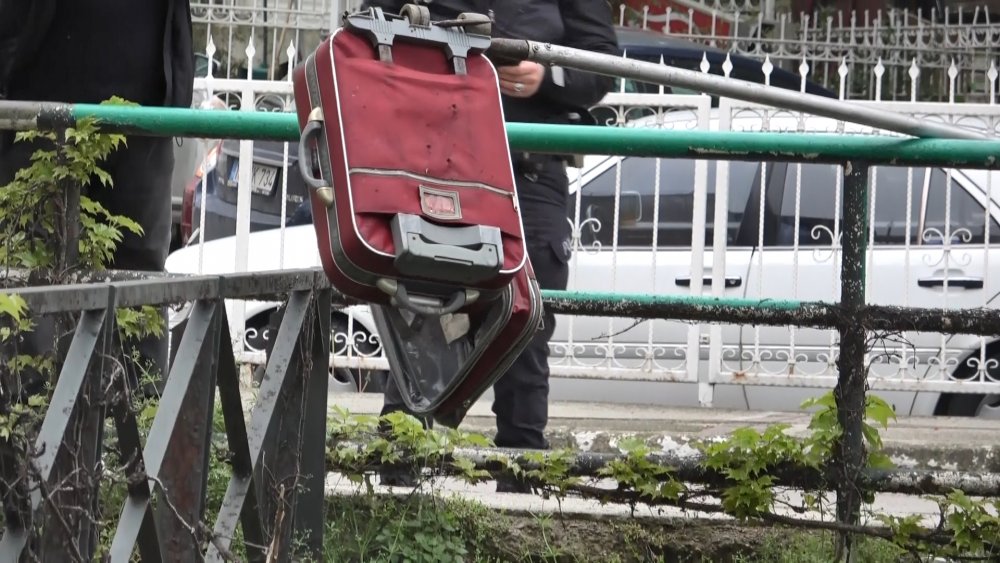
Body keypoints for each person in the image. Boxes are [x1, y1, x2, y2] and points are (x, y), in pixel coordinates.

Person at [361, 0, 619, 492]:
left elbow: (601, 60)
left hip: (530, 165)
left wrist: (546, 78)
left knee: (527, 320)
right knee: (422, 308)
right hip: (436, 160)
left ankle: (520, 485)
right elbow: (371, 22)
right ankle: (397, 480)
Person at [0, 0, 195, 393]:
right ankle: (30, 444)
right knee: (31, 291)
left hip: (144, 119)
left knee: (135, 298)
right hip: (34, 112)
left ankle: (135, 437)